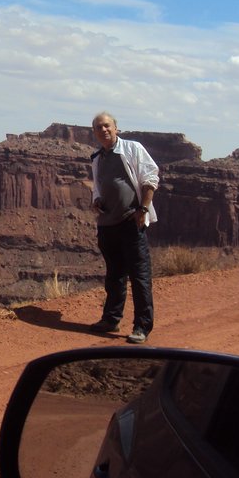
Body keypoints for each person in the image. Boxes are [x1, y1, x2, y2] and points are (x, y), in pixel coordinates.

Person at [88, 112, 159, 344]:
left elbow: (150, 177)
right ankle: (111, 319)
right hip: (108, 224)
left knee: (139, 276)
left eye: (107, 126)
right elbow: (98, 186)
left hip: (131, 222)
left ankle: (142, 326)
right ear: (95, 133)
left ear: (116, 127)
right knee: (114, 276)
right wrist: (97, 200)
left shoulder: (132, 149)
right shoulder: (97, 157)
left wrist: (143, 209)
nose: (104, 130)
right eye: (99, 128)